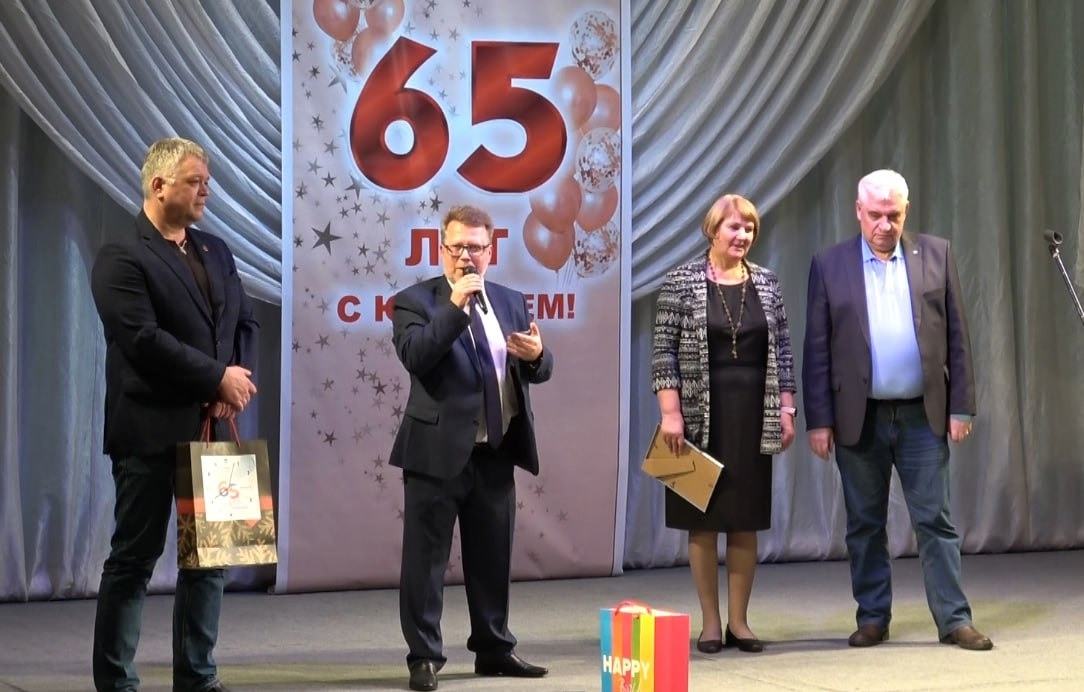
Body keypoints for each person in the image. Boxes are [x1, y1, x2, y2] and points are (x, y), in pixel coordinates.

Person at [90, 137, 259, 691]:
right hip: (149, 432)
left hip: (214, 428)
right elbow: (143, 340)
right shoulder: (122, 255)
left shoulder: (217, 250)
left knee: (212, 562)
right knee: (134, 560)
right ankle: (117, 682)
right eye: (195, 182)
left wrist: (232, 383)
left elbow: (244, 322)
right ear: (159, 186)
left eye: (207, 182)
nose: (206, 191)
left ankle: (198, 678)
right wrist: (215, 378)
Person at [802, 169, 992, 651]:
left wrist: (962, 407)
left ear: (906, 211)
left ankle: (954, 619)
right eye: (875, 215)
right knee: (864, 524)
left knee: (935, 521)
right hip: (858, 416)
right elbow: (817, 348)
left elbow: (958, 336)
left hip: (922, 416)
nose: (885, 224)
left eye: (894, 214)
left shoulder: (937, 254)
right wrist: (819, 420)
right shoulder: (829, 264)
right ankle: (872, 617)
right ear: (858, 212)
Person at [390, 204, 554, 691]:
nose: (466, 256)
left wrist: (539, 356)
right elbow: (418, 356)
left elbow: (537, 369)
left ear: (490, 250)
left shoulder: (510, 300)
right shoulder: (415, 301)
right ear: (441, 249)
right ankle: (424, 656)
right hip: (436, 452)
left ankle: (494, 648)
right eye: (457, 247)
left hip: (495, 451)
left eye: (476, 248)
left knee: (492, 558)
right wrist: (455, 306)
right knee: (426, 563)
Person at [651, 193, 797, 655]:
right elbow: (663, 353)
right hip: (696, 418)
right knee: (702, 522)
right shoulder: (680, 281)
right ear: (712, 230)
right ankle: (711, 624)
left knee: (745, 520)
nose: (743, 235)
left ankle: (740, 622)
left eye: (749, 228)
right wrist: (670, 414)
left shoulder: (767, 283)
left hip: (754, 414)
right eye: (735, 227)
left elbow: (783, 350)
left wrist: (787, 409)